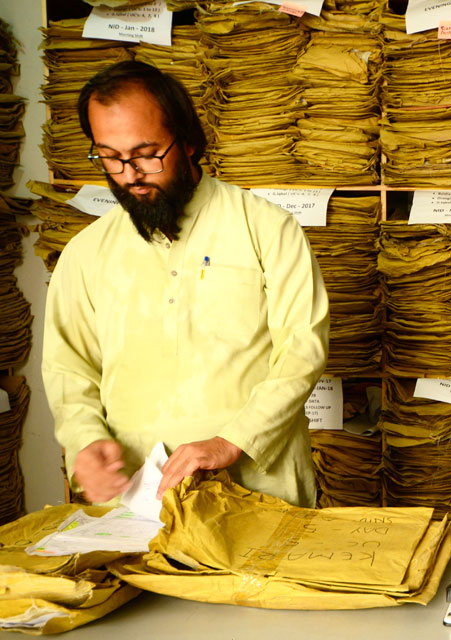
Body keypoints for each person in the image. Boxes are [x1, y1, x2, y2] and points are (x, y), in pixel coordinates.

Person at [43, 61, 329, 507]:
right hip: (137, 503)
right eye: (110, 158)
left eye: (146, 153)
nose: (131, 175)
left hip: (259, 493)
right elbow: (68, 366)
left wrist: (233, 439)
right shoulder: (85, 253)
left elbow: (302, 351)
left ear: (190, 141)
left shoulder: (266, 229)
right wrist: (84, 440)